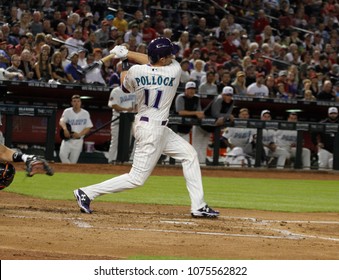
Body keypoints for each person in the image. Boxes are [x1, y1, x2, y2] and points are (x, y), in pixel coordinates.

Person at [73, 37, 219, 218]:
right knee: (136, 179)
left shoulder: (135, 70)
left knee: (189, 155)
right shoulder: (174, 71)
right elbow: (150, 60)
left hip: (154, 127)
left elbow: (125, 86)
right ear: (163, 59)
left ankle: (198, 205)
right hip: (152, 130)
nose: (172, 56)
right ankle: (87, 192)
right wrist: (127, 54)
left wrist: (124, 58)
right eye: (169, 54)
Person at [59, 95, 93, 164]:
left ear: (80, 103)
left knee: (73, 162)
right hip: (68, 140)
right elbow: (61, 121)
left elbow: (88, 127)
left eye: (78, 101)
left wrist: (79, 134)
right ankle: (69, 171)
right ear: (71, 103)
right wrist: (65, 129)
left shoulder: (85, 113)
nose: (76, 103)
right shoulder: (67, 111)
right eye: (74, 101)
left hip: (78, 141)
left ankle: (68, 172)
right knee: (62, 156)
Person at [107, 86, 136, 164]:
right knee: (115, 140)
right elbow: (114, 105)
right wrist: (126, 109)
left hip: (131, 119)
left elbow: (137, 104)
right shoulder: (116, 91)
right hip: (118, 118)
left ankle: (127, 160)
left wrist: (134, 109)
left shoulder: (135, 90)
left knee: (130, 141)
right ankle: (111, 160)